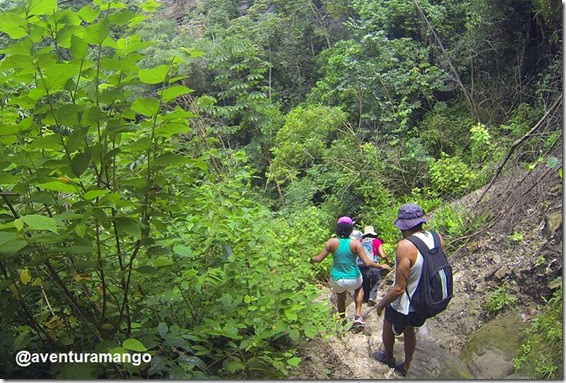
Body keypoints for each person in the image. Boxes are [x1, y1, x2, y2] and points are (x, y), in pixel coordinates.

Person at [372, 204, 444, 377]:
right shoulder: (436, 237)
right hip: (427, 297)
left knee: (388, 324)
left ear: (403, 226)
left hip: (408, 300)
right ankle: (407, 366)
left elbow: (398, 289)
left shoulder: (405, 246)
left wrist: (381, 304)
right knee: (410, 329)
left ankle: (388, 357)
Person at [310, 217, 392, 328]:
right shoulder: (356, 244)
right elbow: (367, 263)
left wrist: (311, 259)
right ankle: (357, 316)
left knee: (340, 296)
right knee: (359, 289)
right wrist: (381, 266)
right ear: (350, 229)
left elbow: (319, 259)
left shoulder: (331, 242)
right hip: (353, 277)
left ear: (338, 228)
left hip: (337, 278)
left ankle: (342, 319)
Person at [358, 226, 388, 306]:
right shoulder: (376, 241)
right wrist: (386, 260)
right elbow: (382, 255)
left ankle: (365, 299)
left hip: (361, 266)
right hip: (373, 265)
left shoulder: (360, 241)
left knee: (365, 283)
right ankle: (372, 297)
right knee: (376, 281)